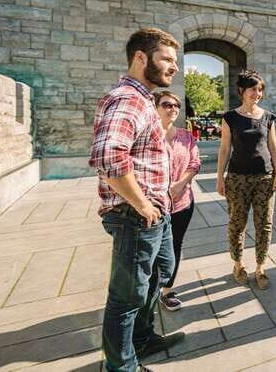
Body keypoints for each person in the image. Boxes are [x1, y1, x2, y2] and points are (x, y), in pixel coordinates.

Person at [89, 28, 186, 371]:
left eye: (175, 60)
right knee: (127, 296)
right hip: (135, 215)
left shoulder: (144, 100)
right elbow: (108, 158)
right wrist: (143, 204)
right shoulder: (127, 99)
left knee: (160, 272)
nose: (174, 67)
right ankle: (121, 366)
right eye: (167, 59)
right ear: (141, 58)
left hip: (155, 213)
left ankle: (142, 339)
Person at [216, 70, 276, 290]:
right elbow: (224, 149)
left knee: (264, 224)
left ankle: (261, 267)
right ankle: (238, 264)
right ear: (242, 91)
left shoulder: (268, 117)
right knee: (237, 223)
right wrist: (220, 177)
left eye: (260, 89)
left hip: (265, 178)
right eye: (253, 89)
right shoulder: (230, 117)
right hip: (237, 178)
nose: (257, 93)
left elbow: (273, 147)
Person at [154, 91, 201, 311]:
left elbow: (195, 163)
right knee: (151, 249)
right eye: (166, 105)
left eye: (176, 105)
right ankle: (149, 291)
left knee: (175, 245)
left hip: (182, 203)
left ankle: (167, 290)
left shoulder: (186, 136)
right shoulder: (146, 135)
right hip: (154, 206)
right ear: (155, 108)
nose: (173, 109)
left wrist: (180, 184)